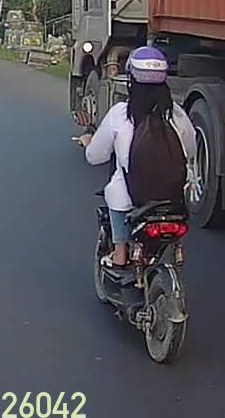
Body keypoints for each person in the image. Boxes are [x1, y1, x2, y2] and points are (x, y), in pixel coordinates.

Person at [76, 46, 196, 268]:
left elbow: (95, 156)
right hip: (174, 199)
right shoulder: (177, 114)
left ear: (131, 79)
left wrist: (88, 142)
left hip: (134, 198)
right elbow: (190, 150)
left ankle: (120, 253)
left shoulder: (120, 114)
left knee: (117, 187)